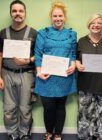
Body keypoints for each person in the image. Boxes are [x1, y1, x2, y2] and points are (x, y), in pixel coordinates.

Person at [0, 1, 37, 140]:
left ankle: (24, 133)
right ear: (10, 13)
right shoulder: (3, 33)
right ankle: (12, 133)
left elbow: (40, 55)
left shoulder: (34, 33)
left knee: (25, 108)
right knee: (9, 108)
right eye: (14, 11)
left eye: (20, 11)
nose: (17, 14)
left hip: (27, 75)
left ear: (25, 13)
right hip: (7, 74)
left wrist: (29, 60)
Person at [34, 2, 77, 140]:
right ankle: (48, 132)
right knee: (48, 108)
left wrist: (73, 64)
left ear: (64, 17)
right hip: (46, 76)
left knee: (60, 107)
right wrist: (39, 71)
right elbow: (38, 53)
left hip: (64, 76)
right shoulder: (43, 33)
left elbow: (73, 54)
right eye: (55, 16)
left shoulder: (71, 34)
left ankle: (58, 134)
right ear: (51, 17)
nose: (58, 18)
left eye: (60, 15)